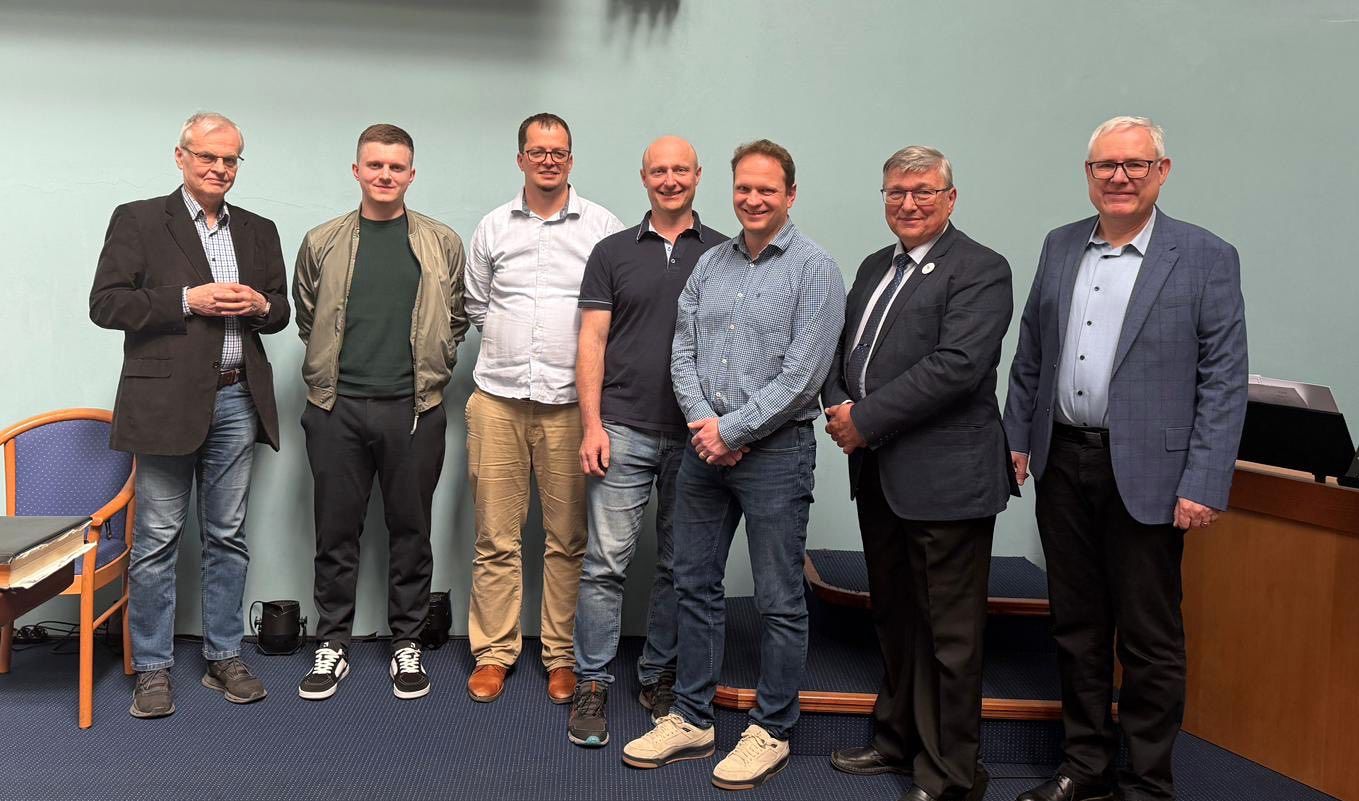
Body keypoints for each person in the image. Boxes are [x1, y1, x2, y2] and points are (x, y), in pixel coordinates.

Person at [1003, 116, 1248, 801]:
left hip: (1152, 477)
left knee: (1148, 637)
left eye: (1134, 165)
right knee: (1076, 627)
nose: (1118, 177)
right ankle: (1084, 767)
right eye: (1104, 165)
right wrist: (1015, 437)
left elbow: (1223, 379)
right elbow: (1030, 353)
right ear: (1088, 175)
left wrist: (1204, 480)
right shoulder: (1059, 246)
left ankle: (1145, 783)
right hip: (1062, 462)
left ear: (1161, 172)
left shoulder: (1204, 255)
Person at [622, 139, 846, 792]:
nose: (752, 199)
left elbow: (804, 376)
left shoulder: (815, 268)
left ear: (790, 195)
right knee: (692, 584)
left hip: (776, 454)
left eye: (766, 189)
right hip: (704, 451)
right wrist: (706, 425)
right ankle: (692, 717)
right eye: (743, 188)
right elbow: (682, 350)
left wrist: (734, 430)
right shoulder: (710, 264)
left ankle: (771, 728)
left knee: (778, 599)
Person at [822, 146, 1017, 801]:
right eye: (896, 192)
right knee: (896, 618)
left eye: (923, 191)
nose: (908, 203)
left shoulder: (981, 268)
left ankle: (950, 774)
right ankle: (895, 740)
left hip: (946, 482)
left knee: (948, 636)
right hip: (881, 475)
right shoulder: (875, 266)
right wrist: (837, 403)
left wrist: (865, 418)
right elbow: (841, 352)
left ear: (950, 198)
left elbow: (956, 366)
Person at [89, 111, 290, 718]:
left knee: (227, 536)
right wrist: (185, 299)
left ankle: (224, 656)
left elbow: (281, 311)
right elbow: (106, 304)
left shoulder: (258, 230)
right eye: (208, 157)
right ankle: (153, 668)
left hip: (238, 398)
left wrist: (260, 305)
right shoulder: (139, 219)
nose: (219, 168)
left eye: (230, 159)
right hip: (164, 403)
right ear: (181, 157)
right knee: (156, 540)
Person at [292, 123, 469, 701]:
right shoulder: (322, 241)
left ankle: (407, 643)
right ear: (357, 170)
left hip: (414, 410)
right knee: (335, 533)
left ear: (411, 175)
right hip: (335, 409)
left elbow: (457, 316)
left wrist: (434, 362)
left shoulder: (442, 242)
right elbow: (308, 313)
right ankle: (332, 644)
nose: (385, 175)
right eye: (375, 165)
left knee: (411, 532)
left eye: (396, 167)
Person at [568, 136, 726, 748]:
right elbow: (591, 342)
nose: (670, 180)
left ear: (697, 175)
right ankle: (592, 681)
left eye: (680, 170)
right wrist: (591, 424)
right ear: (644, 178)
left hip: (697, 435)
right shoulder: (611, 252)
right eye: (659, 170)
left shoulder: (724, 253)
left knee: (679, 566)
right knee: (605, 565)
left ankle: (658, 674)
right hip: (623, 428)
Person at [464, 113, 624, 705]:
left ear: (571, 160)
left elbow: (617, 311)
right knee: (495, 538)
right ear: (521, 159)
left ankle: (561, 655)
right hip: (498, 402)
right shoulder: (492, 226)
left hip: (571, 408)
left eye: (558, 152)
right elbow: (477, 305)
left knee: (569, 540)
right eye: (537, 151)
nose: (548, 160)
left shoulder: (603, 227)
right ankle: (494, 652)